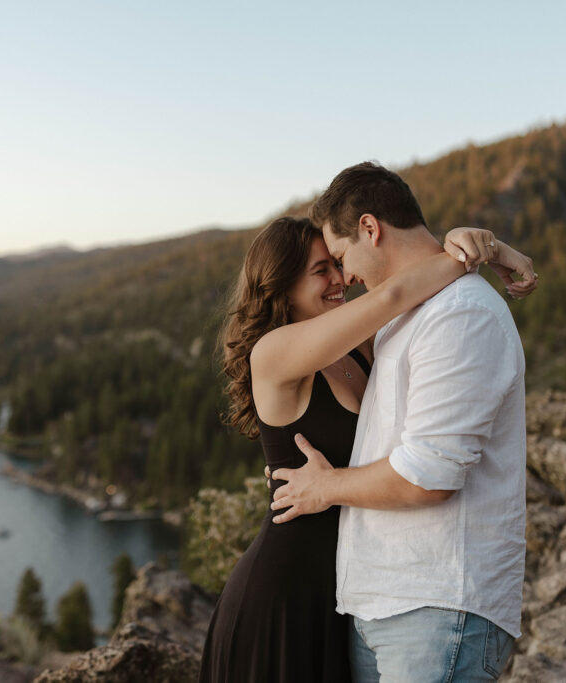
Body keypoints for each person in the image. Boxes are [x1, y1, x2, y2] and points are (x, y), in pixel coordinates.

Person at [198, 211, 534, 682]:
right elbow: (395, 293)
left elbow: (414, 292)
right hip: (283, 588)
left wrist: (474, 242)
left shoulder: (358, 348)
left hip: (349, 589)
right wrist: (480, 254)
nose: (340, 279)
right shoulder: (272, 354)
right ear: (282, 284)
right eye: (322, 270)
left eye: (337, 264)